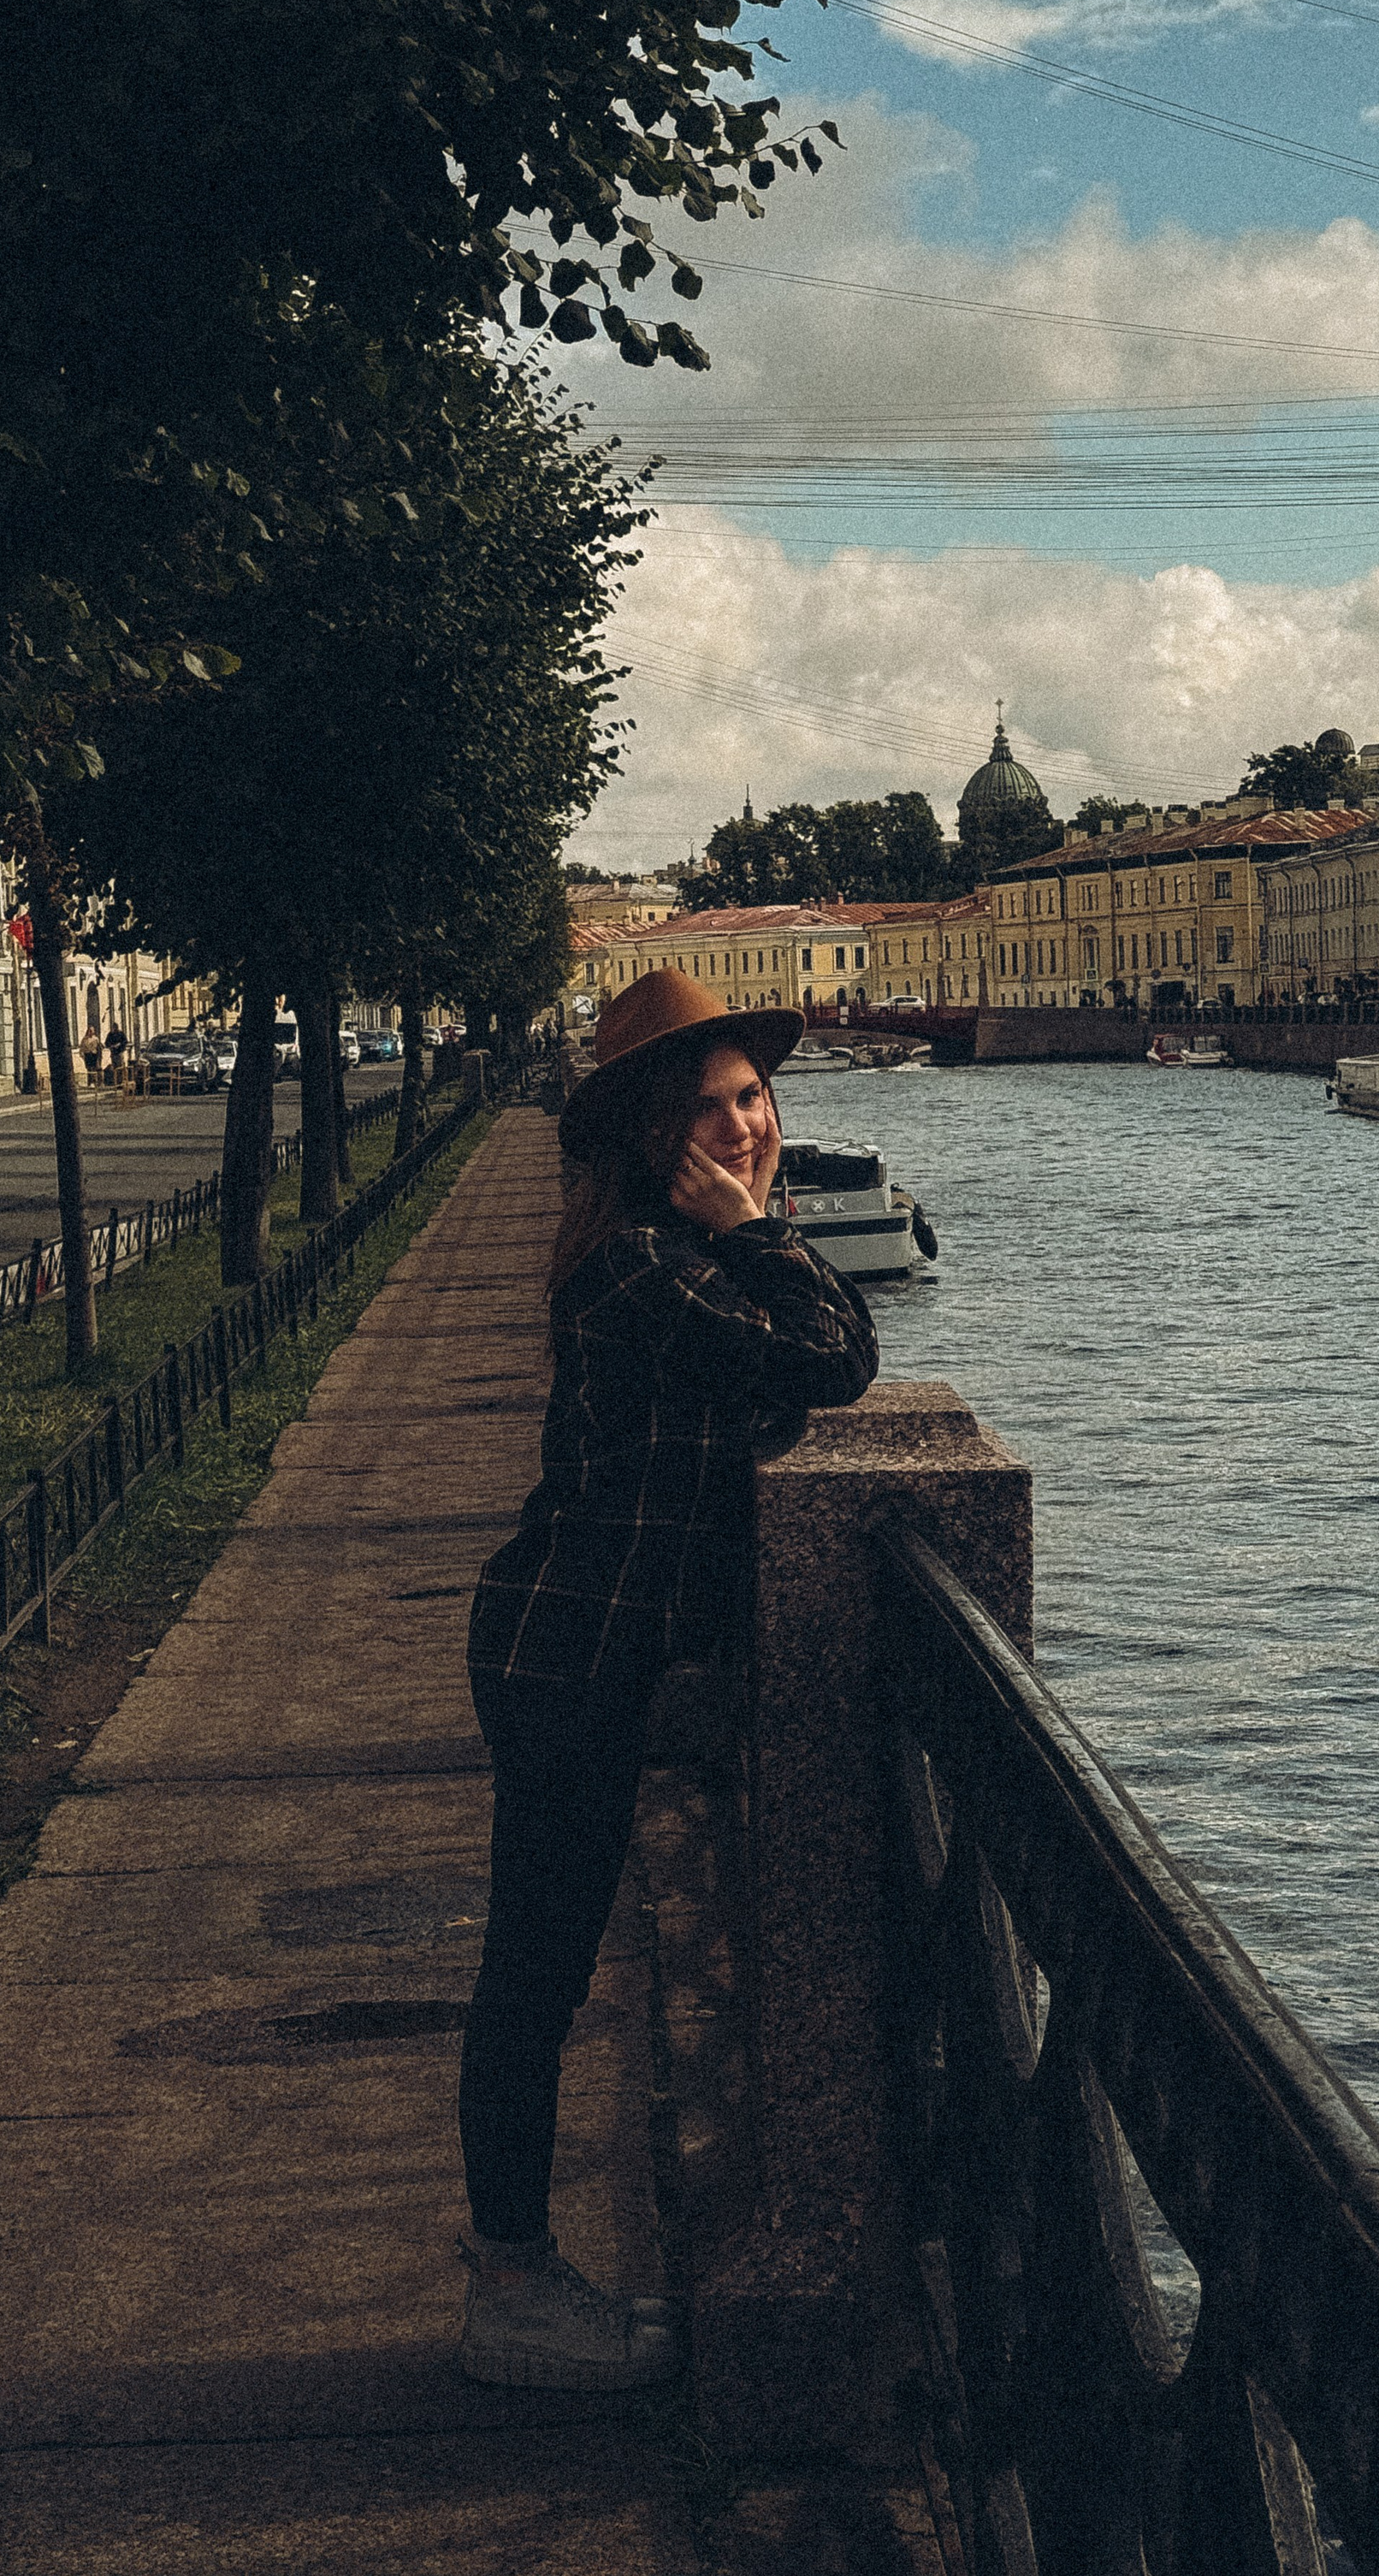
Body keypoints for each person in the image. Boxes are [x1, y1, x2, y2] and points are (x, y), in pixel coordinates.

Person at [455, 970, 879, 2389]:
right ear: (650, 1135)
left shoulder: (671, 1253)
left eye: (753, 1096)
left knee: (541, 1972)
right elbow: (838, 1360)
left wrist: (755, 1236)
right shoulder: (645, 1265)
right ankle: (510, 2290)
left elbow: (804, 1367)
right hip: (566, 1656)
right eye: (708, 1106)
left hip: (591, 1652)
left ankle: (521, 2279)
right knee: (536, 1978)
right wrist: (759, 1233)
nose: (744, 1124)